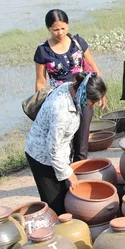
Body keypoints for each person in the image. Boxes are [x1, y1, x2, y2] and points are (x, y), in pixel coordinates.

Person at [25, 72, 107, 215]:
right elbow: (53, 149)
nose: (91, 106)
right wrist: (68, 173)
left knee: (65, 195)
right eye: (92, 102)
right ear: (83, 93)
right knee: (55, 206)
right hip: (42, 156)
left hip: (58, 153)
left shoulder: (72, 89)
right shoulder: (61, 110)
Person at [35, 9, 105, 162]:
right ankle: (65, 176)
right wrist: (42, 106)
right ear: (48, 28)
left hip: (83, 98)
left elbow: (92, 66)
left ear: (67, 25)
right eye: (55, 29)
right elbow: (41, 80)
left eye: (63, 28)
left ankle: (80, 174)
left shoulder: (78, 42)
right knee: (63, 143)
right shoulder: (42, 51)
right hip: (60, 103)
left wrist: (100, 92)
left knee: (81, 143)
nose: (60, 32)